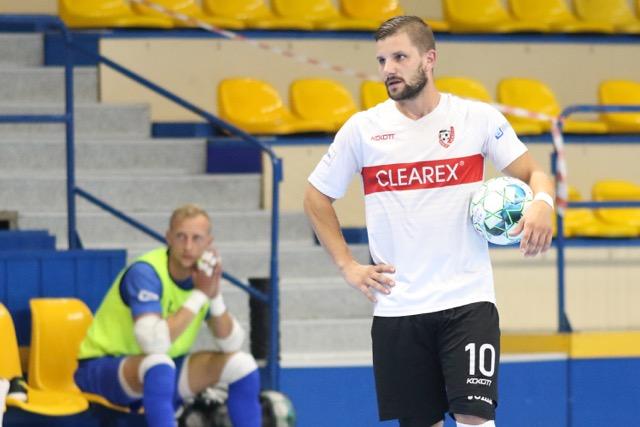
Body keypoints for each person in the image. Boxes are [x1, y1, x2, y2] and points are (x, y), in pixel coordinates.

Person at [303, 16, 554, 427]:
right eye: (382, 60)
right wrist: (347, 265)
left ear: (429, 59)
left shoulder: (476, 118)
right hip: (398, 308)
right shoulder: (363, 130)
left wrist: (542, 202)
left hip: (467, 300)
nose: (388, 69)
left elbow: (534, 173)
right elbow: (316, 197)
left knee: (475, 418)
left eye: (400, 57)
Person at [75, 204, 261, 427]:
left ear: (208, 243)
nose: (188, 246)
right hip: (101, 368)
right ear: (168, 238)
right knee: (159, 365)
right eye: (181, 237)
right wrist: (200, 294)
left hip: (161, 370)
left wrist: (214, 295)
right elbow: (153, 344)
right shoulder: (146, 273)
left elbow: (231, 343)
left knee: (242, 364)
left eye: (197, 238)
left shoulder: (200, 277)